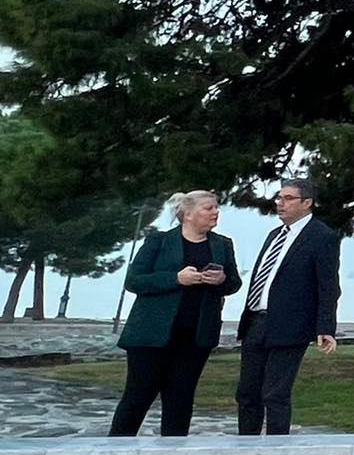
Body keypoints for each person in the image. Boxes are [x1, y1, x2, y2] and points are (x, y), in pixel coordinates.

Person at [109, 190, 242, 437]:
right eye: (208, 208)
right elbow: (134, 281)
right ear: (187, 214)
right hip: (151, 335)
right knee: (138, 395)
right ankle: (116, 449)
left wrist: (221, 279)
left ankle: (174, 453)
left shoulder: (222, 244)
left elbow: (233, 283)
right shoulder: (158, 241)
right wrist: (176, 278)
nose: (215, 212)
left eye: (216, 208)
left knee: (181, 397)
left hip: (195, 335)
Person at [234, 178, 341, 436]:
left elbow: (328, 286)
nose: (280, 203)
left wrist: (325, 327)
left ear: (307, 203)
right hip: (256, 323)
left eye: (288, 198)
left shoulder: (321, 237)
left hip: (290, 326)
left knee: (275, 394)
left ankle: (276, 452)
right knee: (247, 393)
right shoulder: (274, 235)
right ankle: (244, 449)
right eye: (279, 198)